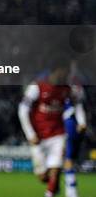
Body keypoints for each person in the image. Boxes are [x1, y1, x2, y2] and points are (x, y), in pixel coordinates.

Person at [18, 66, 86, 197]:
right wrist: (30, 134)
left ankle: (51, 192)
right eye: (65, 71)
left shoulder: (67, 88)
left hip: (58, 134)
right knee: (43, 177)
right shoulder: (37, 86)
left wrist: (82, 122)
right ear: (56, 70)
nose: (67, 75)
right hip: (39, 136)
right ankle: (54, 186)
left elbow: (77, 103)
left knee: (55, 170)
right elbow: (22, 110)